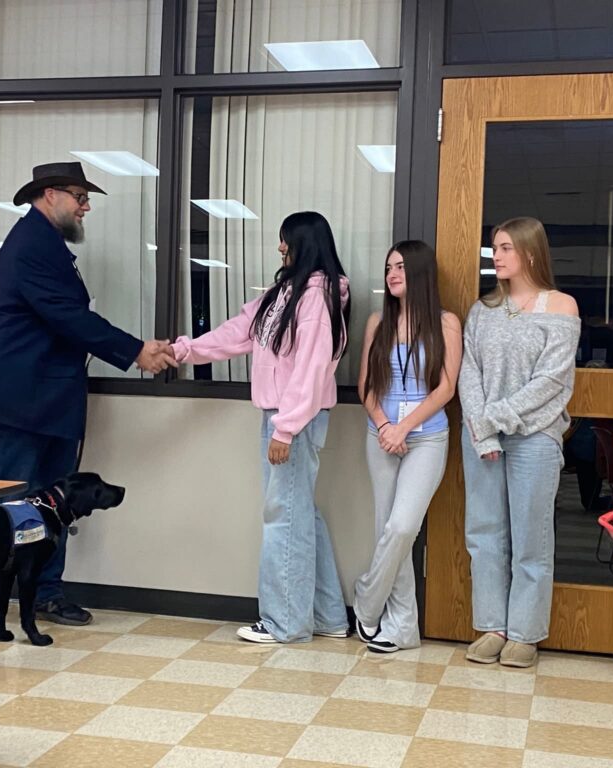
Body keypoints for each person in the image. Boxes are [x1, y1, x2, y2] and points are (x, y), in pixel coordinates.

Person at [0, 161, 176, 628]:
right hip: (18, 397)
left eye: (86, 198)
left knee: (52, 502)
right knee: (9, 498)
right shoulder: (31, 244)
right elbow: (65, 315)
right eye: (79, 196)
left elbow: (65, 320)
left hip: (51, 397)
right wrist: (137, 350)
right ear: (49, 195)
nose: (85, 206)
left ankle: (42, 592)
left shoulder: (49, 246)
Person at [171, 211, 350, 644]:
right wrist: (182, 350)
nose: (279, 247)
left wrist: (286, 429)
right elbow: (237, 332)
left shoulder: (316, 299)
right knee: (301, 514)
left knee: (283, 519)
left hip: (294, 420)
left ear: (303, 243)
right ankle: (328, 616)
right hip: (283, 417)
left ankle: (284, 623)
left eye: (284, 239)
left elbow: (311, 370)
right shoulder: (283, 294)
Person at [459, 217, 580, 668]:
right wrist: (484, 427)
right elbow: (468, 373)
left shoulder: (561, 307)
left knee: (531, 537)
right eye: (494, 248)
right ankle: (493, 626)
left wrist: (495, 417)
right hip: (483, 437)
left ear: (530, 252)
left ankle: (525, 634)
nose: (497, 256)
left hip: (535, 438)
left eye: (506, 247)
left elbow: (551, 381)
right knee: (484, 533)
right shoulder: (482, 309)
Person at [353, 240, 462, 653]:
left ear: (419, 273)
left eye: (399, 267)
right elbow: (366, 385)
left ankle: (366, 598)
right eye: (388, 268)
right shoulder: (378, 322)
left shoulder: (446, 323)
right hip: (379, 434)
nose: (391, 275)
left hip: (427, 435)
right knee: (386, 528)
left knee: (402, 528)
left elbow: (446, 387)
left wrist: (404, 428)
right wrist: (384, 425)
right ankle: (401, 628)